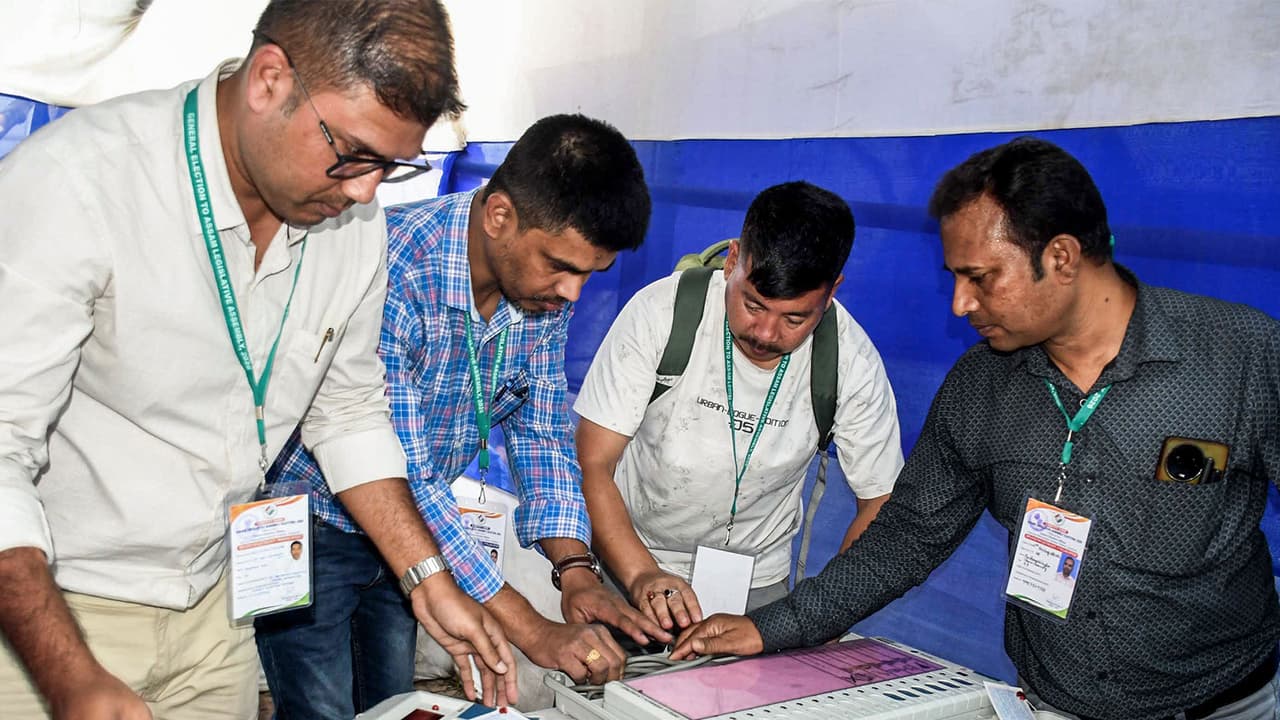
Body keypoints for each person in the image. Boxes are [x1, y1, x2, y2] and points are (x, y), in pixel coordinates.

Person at [0, 1, 519, 718]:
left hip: (217, 614)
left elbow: (348, 411)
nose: (366, 190)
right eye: (355, 153)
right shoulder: (80, 183)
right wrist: (69, 676)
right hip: (51, 617)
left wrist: (426, 574)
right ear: (270, 79)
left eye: (392, 167)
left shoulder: (350, 222)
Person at [673, 137, 1280, 720]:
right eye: (954, 278)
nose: (959, 304)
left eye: (980, 277)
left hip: (1228, 703)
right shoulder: (981, 386)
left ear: (1061, 258)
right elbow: (906, 537)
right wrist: (772, 626)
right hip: (1059, 704)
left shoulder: (1239, 358)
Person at [257, 113, 665, 716]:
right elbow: (405, 474)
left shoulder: (538, 292)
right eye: (562, 265)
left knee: (393, 706)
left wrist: (576, 572)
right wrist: (532, 630)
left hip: (413, 540)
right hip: (310, 525)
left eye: (588, 273)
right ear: (500, 216)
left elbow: (542, 434)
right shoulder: (391, 267)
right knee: (321, 710)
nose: (573, 293)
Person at [574, 181, 903, 631]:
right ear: (733, 260)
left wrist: (824, 615)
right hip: (629, 558)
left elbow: (880, 502)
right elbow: (593, 462)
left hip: (757, 585)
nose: (766, 334)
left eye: (795, 318)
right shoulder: (660, 314)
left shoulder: (852, 361)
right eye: (753, 304)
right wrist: (641, 575)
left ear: (832, 292)